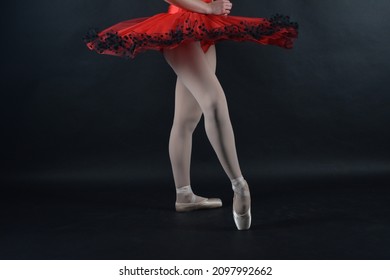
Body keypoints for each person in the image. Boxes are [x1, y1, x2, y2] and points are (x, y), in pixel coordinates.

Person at [83, 0, 299, 230]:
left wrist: (215, 7)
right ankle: (239, 186)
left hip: (204, 28)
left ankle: (183, 195)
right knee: (213, 103)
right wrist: (208, 8)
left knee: (186, 119)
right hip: (181, 26)